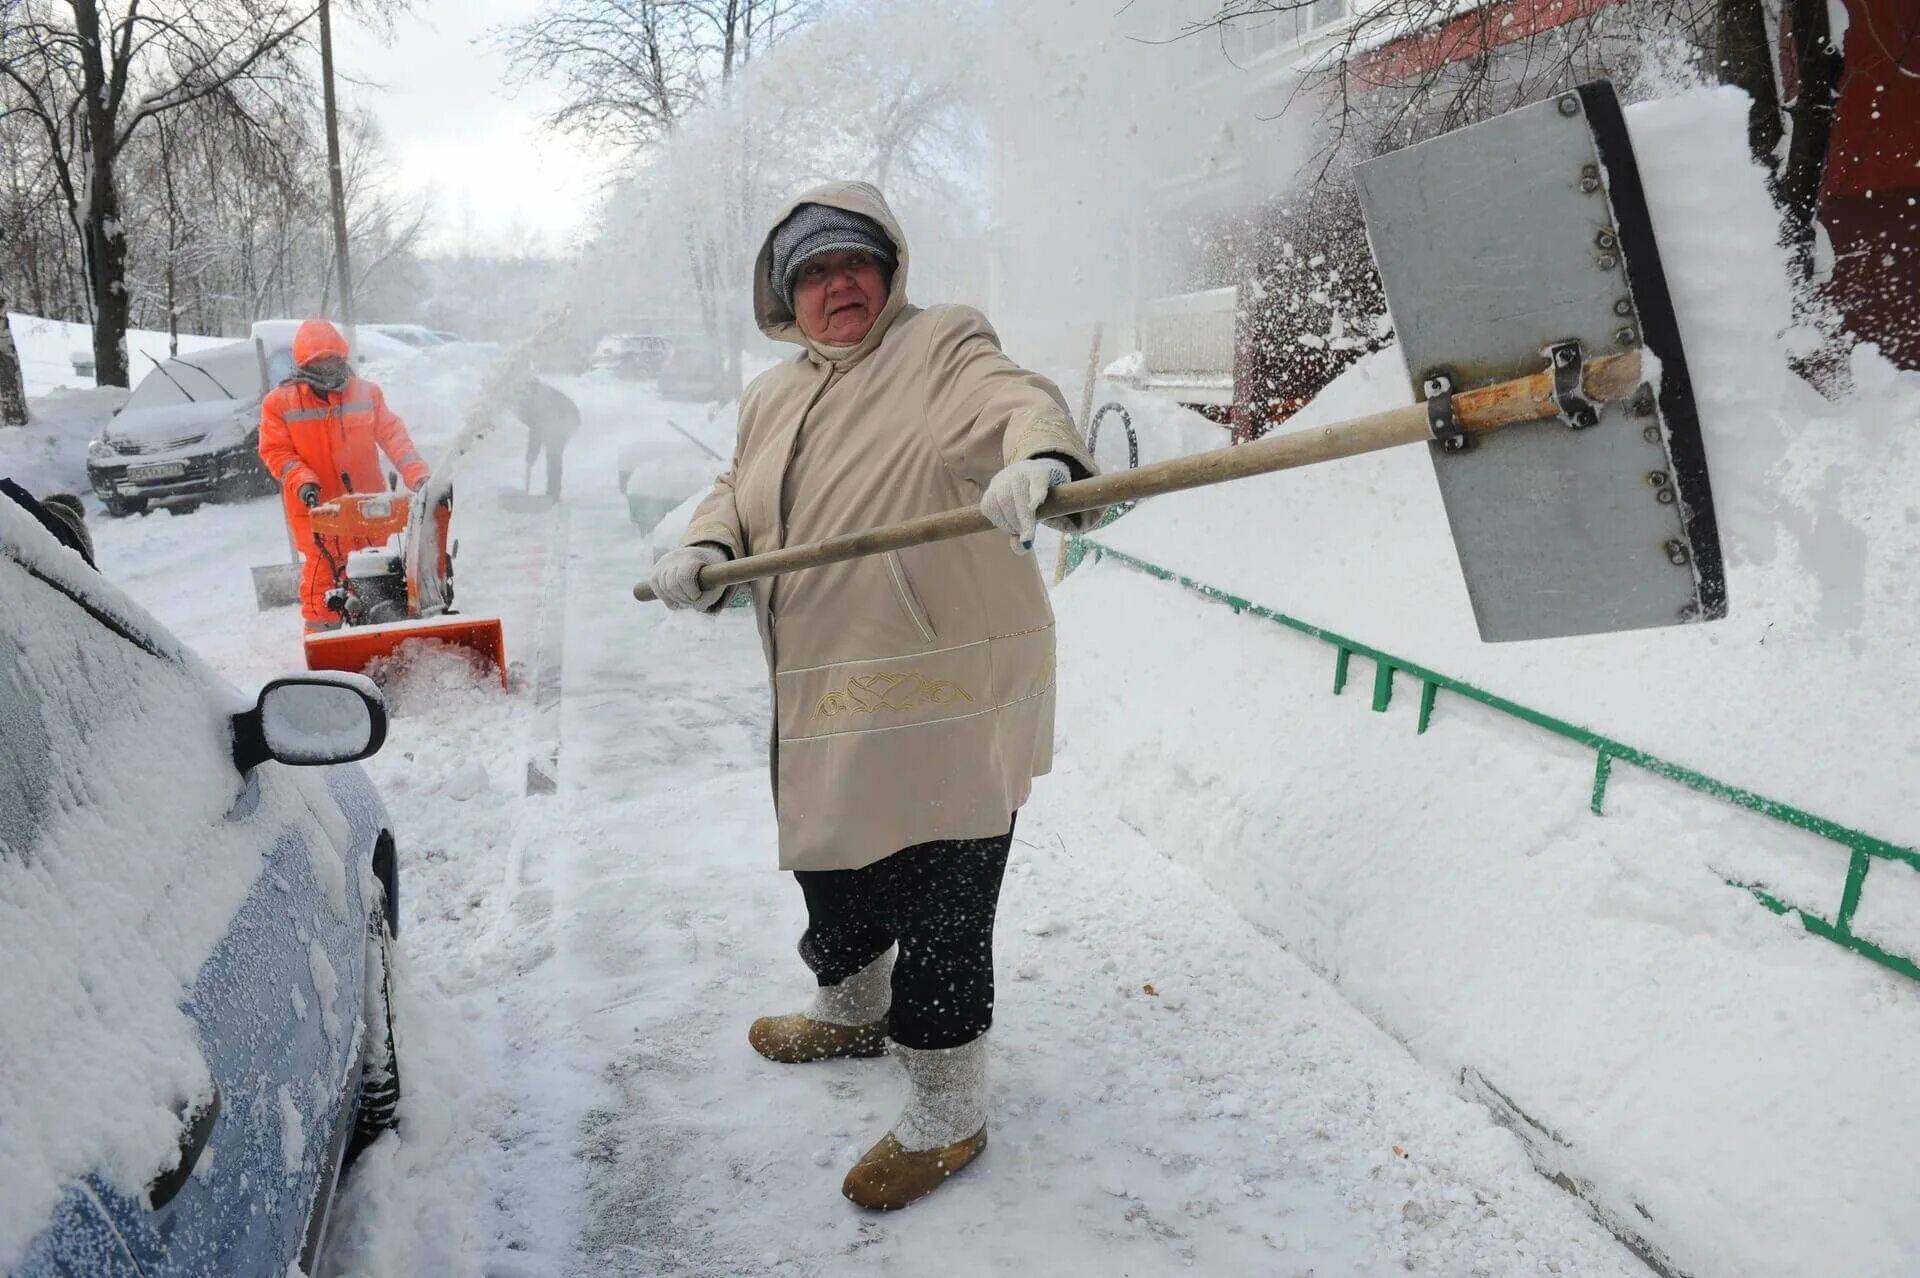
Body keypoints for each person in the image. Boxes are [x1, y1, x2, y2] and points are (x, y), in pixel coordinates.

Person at [647, 182, 1103, 1211]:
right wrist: (709, 540)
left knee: (944, 881)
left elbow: (1012, 398)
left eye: (852, 262)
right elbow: (739, 485)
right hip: (824, 681)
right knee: (832, 854)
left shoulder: (940, 345)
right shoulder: (773, 393)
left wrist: (1038, 456)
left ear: (888, 272)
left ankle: (948, 1104)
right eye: (810, 273)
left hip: (944, 679)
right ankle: (852, 1004)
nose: (835, 283)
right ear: (784, 299)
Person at [257, 319, 429, 632]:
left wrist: (416, 473)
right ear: (304, 365)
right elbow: (276, 452)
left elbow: (394, 436)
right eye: (319, 362)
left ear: (343, 356)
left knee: (377, 578)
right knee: (322, 589)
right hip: (316, 512)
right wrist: (303, 481)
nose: (328, 368)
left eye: (332, 360)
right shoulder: (279, 404)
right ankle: (323, 654)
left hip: (368, 509)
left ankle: (384, 636)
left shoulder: (366, 394)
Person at [514, 370, 580, 501]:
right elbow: (535, 427)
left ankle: (553, 495)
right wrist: (531, 456)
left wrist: (531, 456)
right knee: (552, 449)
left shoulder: (540, 399)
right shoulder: (528, 398)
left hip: (567, 418)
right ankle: (552, 493)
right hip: (557, 418)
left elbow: (537, 431)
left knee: (553, 452)